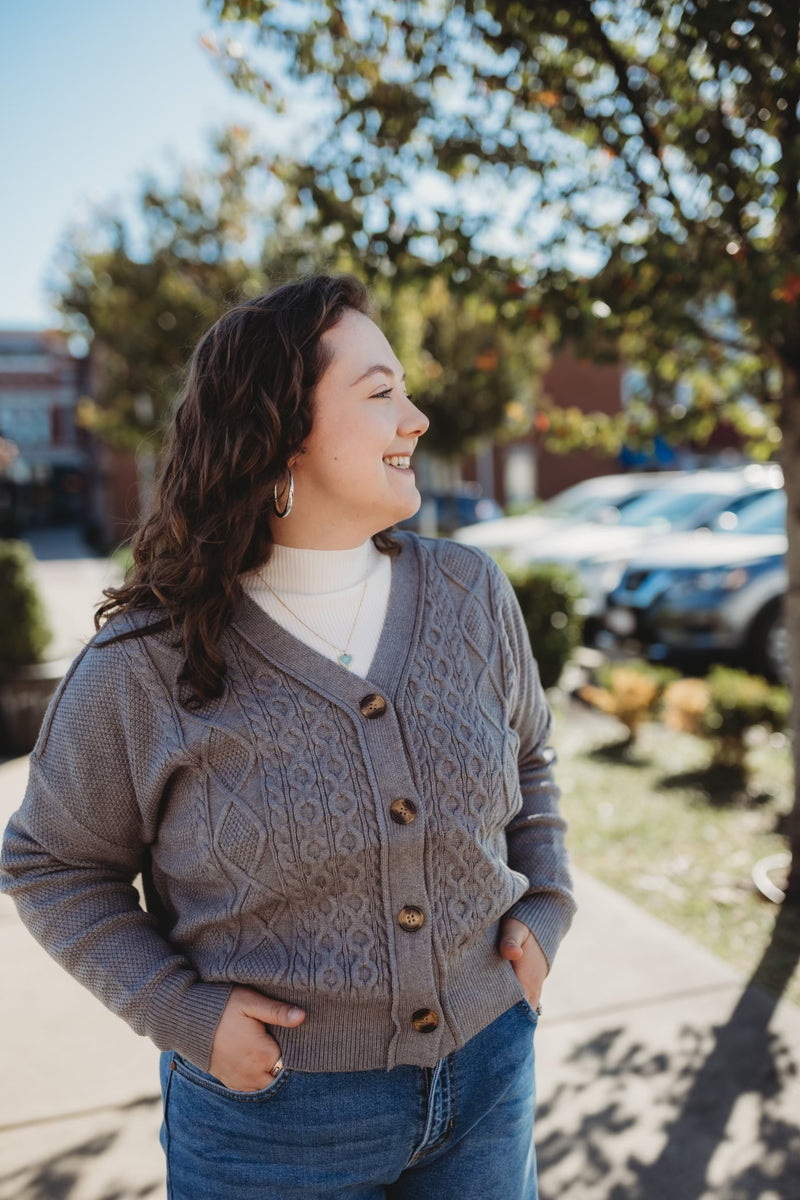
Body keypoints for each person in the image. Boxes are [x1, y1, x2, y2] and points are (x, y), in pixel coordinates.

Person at [0, 273, 576, 1199]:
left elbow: (532, 757)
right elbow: (50, 863)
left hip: (490, 1081)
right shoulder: (149, 660)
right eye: (380, 391)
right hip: (270, 1125)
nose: (417, 417)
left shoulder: (470, 594)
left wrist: (544, 904)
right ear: (279, 430)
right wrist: (181, 1012)